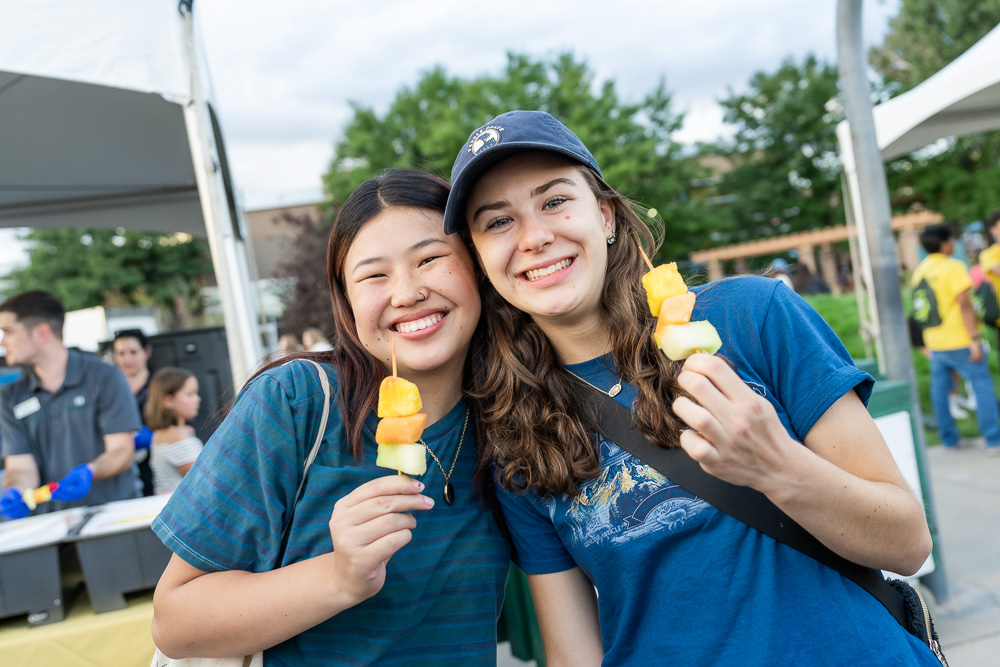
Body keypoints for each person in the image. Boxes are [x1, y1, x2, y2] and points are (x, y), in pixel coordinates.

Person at [444, 110, 939, 665]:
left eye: (555, 201)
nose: (535, 237)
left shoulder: (755, 317)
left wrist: (777, 467)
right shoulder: (514, 433)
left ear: (605, 216)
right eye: (498, 222)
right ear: (481, 259)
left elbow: (908, 542)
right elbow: (571, 652)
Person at [150, 169, 509, 664]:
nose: (405, 293)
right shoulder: (295, 403)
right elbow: (174, 623)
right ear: (346, 301)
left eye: (430, 259)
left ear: (478, 267)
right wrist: (338, 577)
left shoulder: (510, 414)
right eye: (373, 275)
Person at [0, 291, 141, 519]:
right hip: (50, 525)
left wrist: (91, 471)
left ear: (41, 333)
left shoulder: (105, 377)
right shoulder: (11, 396)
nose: (2, 342)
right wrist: (15, 490)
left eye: (8, 332)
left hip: (114, 518)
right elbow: (21, 467)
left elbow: (122, 451)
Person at [911, 224, 1000, 454]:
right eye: (951, 239)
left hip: (935, 341)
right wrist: (974, 338)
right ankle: (994, 440)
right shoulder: (953, 267)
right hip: (959, 339)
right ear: (945, 243)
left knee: (940, 391)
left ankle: (949, 439)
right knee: (981, 385)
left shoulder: (920, 270)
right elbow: (964, 303)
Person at [145, 367, 204, 495]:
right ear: (169, 400)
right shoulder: (178, 438)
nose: (197, 399)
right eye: (190, 394)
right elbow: (204, 480)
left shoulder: (164, 433)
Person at [112, 328, 155, 496]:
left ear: (147, 352)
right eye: (121, 353)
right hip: (122, 477)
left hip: (157, 474)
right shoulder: (109, 392)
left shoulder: (161, 386)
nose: (127, 359)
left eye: (133, 352)